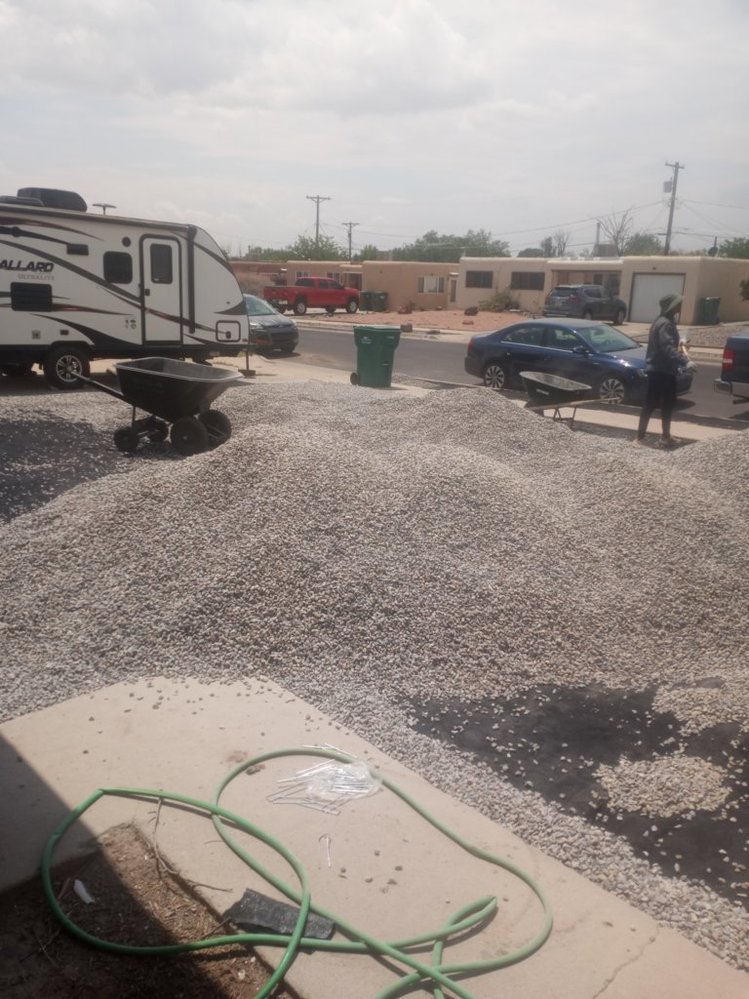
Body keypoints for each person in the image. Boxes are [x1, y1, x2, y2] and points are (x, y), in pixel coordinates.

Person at [634, 293, 695, 447]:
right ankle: (640, 438)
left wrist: (681, 344)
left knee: (668, 403)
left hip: (665, 370)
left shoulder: (664, 321)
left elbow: (669, 345)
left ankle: (665, 436)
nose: (680, 306)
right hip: (660, 370)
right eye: (678, 304)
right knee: (651, 403)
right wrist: (685, 361)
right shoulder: (665, 324)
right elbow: (667, 347)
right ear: (672, 306)